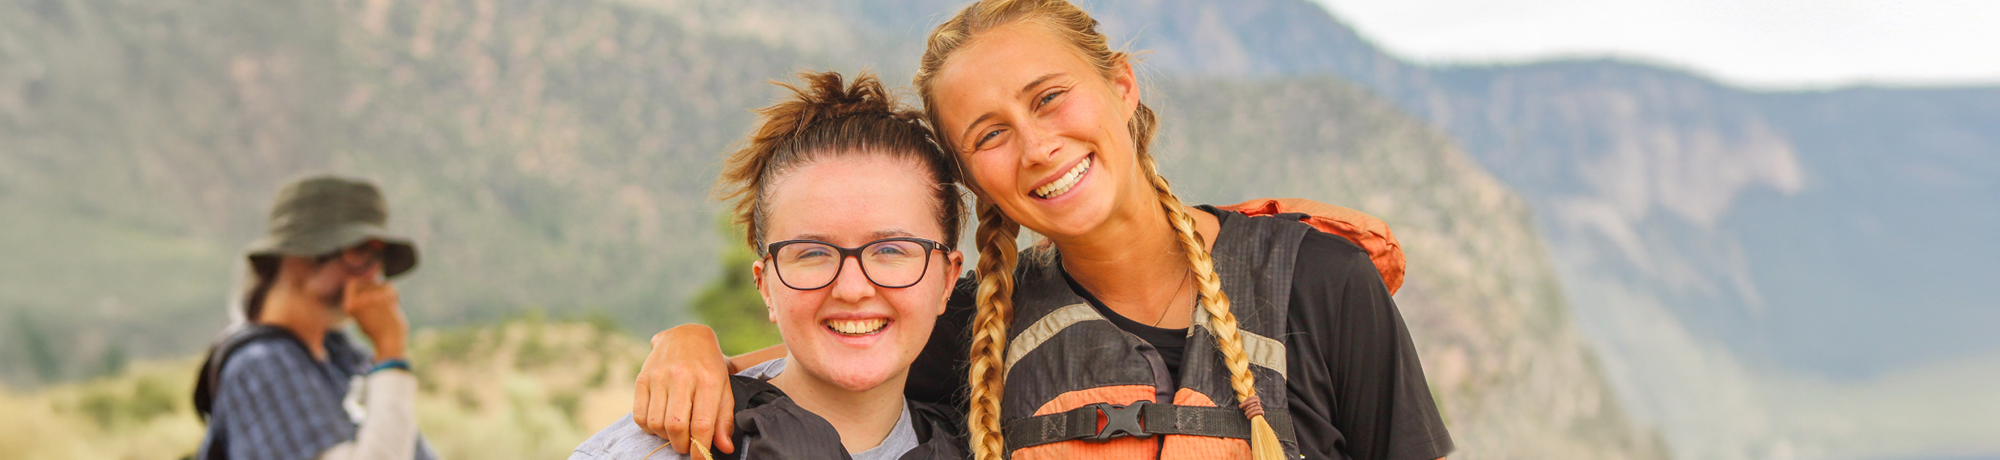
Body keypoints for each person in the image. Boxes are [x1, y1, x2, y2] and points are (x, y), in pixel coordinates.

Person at [634, 1, 1455, 459]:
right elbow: (836, 343)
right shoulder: (978, 328)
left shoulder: (1318, 280)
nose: (1035, 147)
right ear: (971, 178)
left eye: (1049, 97)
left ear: (1122, 87)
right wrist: (687, 344)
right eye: (988, 135)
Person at [570, 71, 968, 460]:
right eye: (812, 253)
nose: (852, 288)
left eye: (891, 250)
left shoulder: (987, 441)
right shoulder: (652, 451)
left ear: (948, 279)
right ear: (766, 287)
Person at [192, 176, 439, 460]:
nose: (372, 275)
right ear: (298, 256)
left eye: (378, 259)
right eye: (359, 253)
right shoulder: (261, 365)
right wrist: (390, 352)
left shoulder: (344, 360)